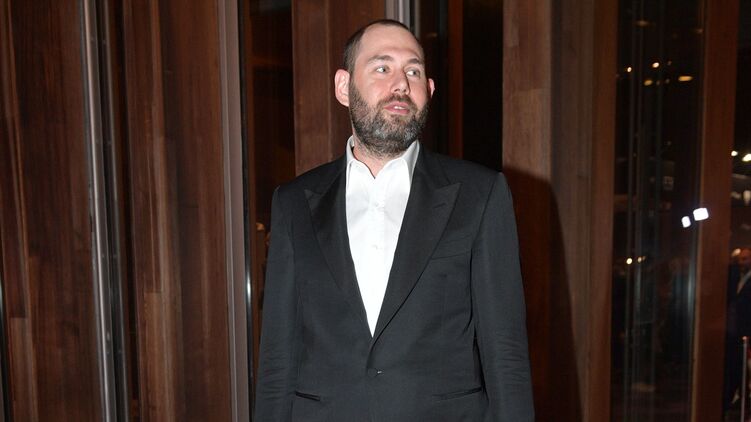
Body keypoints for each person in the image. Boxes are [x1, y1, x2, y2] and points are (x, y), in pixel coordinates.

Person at [254, 19, 534, 421]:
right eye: (383, 67)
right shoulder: (294, 203)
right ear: (343, 87)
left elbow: (506, 354)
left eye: (413, 71)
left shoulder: (479, 194)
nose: (401, 83)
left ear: (429, 91)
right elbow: (277, 359)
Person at [725, 248, 751, 412]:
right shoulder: (737, 278)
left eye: (745, 259)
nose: (742, 262)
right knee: (737, 368)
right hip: (735, 331)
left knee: (744, 369)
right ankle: (739, 399)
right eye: (740, 259)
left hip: (746, 332)